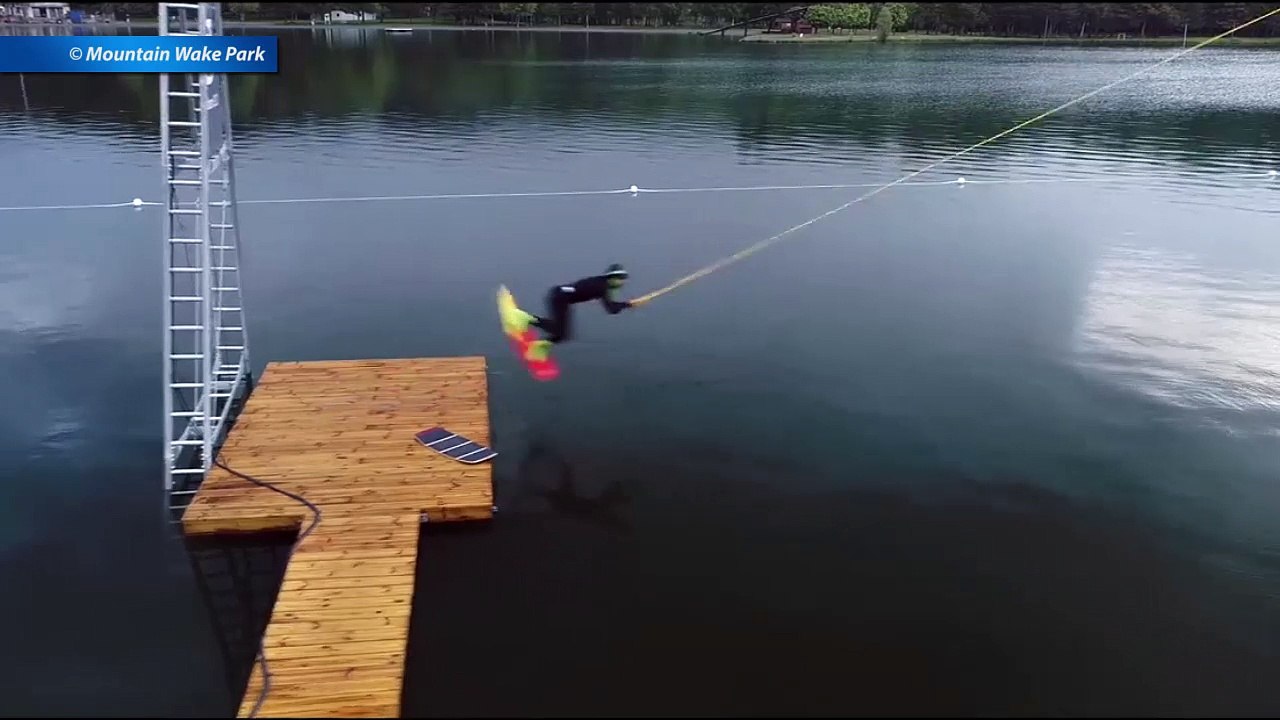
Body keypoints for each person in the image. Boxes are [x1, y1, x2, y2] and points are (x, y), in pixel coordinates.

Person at [519, 263, 633, 361]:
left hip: (561, 297)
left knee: (561, 334)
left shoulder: (602, 284)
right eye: (620, 278)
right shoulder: (602, 287)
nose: (622, 282)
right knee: (560, 332)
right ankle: (527, 321)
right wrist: (628, 304)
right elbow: (611, 309)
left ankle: (538, 343)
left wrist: (626, 304)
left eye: (623, 278)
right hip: (560, 297)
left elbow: (611, 305)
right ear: (611, 277)